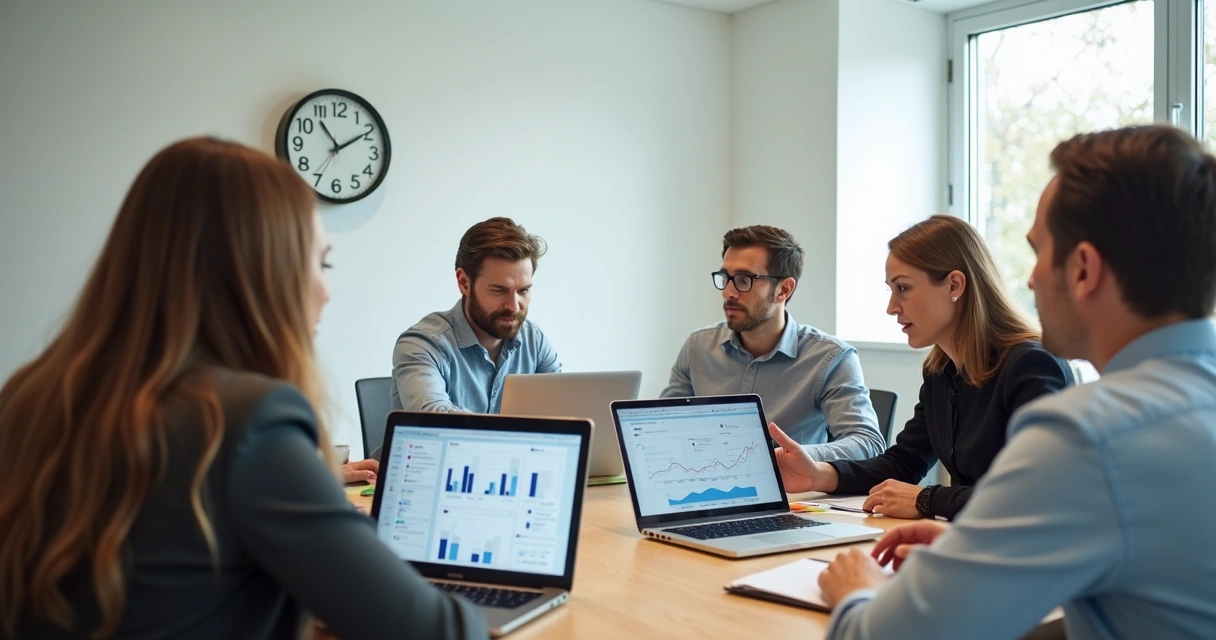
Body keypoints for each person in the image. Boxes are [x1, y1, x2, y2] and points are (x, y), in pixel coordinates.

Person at [0, 138, 486, 639]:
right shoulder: (248, 421)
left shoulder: (28, 397)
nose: (326, 290)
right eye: (321, 264)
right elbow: (432, 630)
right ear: (256, 271)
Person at [817, 124, 1216, 639]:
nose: (1029, 279)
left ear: (1083, 269)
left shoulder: (1087, 437)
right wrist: (994, 555)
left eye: (1039, 251)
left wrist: (857, 590)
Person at [768, 215, 1073, 520]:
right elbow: (903, 462)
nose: (891, 307)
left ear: (954, 284)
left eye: (903, 288)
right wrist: (818, 475)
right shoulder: (941, 373)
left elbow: (1040, 491)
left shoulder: (1032, 365)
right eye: (891, 289)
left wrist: (928, 499)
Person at [662, 225, 885, 461]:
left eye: (743, 280)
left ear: (784, 290)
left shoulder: (830, 357)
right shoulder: (698, 347)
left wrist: (785, 458)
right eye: (725, 278)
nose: (728, 292)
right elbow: (663, 427)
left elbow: (867, 443)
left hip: (791, 492)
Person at [390, 217, 560, 416]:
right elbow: (433, 419)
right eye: (499, 290)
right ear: (464, 282)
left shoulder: (534, 341)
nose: (514, 306)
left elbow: (561, 409)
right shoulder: (422, 344)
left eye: (523, 291)